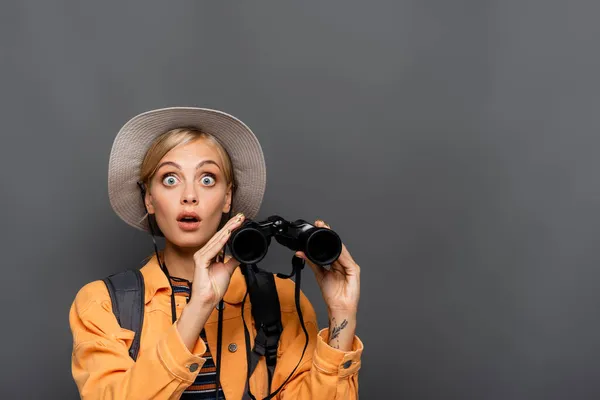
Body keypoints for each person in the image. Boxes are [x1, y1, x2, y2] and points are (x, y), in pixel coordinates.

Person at [69, 107, 364, 399]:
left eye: (207, 178)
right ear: (148, 198)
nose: (189, 195)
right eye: (170, 179)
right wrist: (199, 306)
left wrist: (342, 314)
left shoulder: (281, 299)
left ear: (227, 198)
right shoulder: (104, 305)